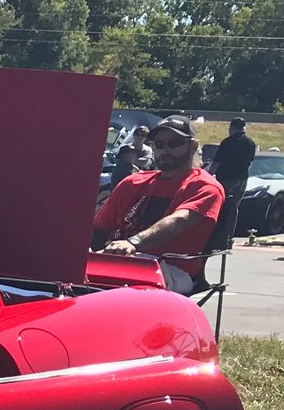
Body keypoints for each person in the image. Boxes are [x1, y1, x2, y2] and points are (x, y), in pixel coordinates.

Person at [93, 114, 226, 292]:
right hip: (123, 261)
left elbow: (178, 220)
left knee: (116, 288)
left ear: (193, 146)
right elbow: (99, 229)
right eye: (159, 144)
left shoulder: (205, 186)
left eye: (174, 143)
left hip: (172, 270)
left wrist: (132, 242)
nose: (165, 150)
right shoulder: (132, 183)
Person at [209, 117, 256, 251]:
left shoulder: (227, 143)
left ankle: (219, 238)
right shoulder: (250, 143)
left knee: (222, 208)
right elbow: (250, 162)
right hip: (242, 179)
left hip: (226, 178)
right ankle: (230, 237)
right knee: (234, 208)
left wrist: (209, 174)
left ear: (232, 128)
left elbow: (217, 162)